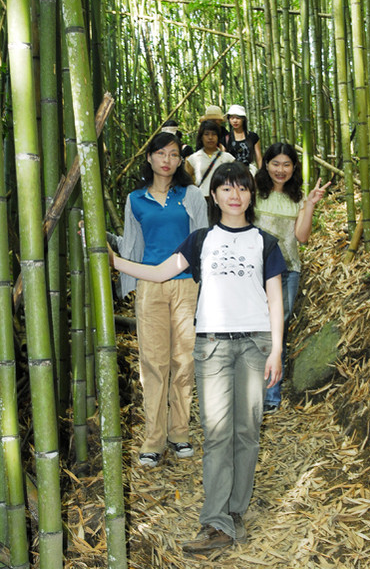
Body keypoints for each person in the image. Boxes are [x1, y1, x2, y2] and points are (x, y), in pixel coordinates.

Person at [109, 162, 286, 553]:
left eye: (242, 188)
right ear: (214, 196)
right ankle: (216, 522)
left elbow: (275, 299)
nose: (235, 195)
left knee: (246, 433)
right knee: (218, 433)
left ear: (251, 195)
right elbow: (160, 273)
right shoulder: (201, 240)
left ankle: (235, 511)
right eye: (227, 188)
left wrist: (276, 349)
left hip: (254, 344)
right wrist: (115, 261)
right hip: (212, 346)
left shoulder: (265, 242)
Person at [109, 131, 208, 467]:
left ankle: (179, 432)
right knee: (153, 362)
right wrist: (101, 243)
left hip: (186, 285)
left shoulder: (190, 195)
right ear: (150, 157)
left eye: (174, 154)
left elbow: (202, 241)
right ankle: (153, 439)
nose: (167, 160)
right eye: (161, 153)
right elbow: (132, 246)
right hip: (150, 286)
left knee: (184, 361)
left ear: (181, 160)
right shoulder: (135, 199)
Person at [255, 142, 331, 413]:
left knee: (278, 329)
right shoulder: (253, 192)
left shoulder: (297, 197)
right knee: (253, 326)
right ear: (266, 164)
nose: (280, 169)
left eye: (286, 164)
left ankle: (271, 395)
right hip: (255, 270)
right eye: (275, 163)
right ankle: (251, 389)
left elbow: (302, 236)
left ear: (294, 167)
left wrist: (309, 205)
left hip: (288, 270)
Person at [185, 120, 235, 199]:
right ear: (201, 137)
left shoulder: (228, 158)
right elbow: (186, 182)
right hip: (201, 199)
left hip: (223, 199)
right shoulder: (193, 159)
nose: (210, 137)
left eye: (214, 134)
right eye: (206, 134)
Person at [225, 104, 263, 171]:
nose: (235, 121)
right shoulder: (226, 138)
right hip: (232, 173)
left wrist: (261, 173)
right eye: (232, 118)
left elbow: (259, 158)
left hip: (250, 171)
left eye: (238, 118)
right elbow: (223, 160)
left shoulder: (253, 137)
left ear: (243, 119)